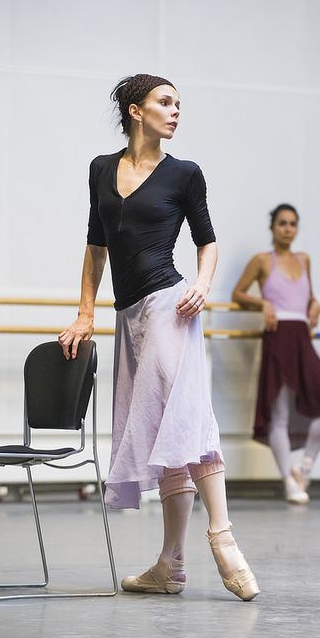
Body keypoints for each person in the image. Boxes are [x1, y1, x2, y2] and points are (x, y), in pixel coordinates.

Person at [58, 74, 259, 601]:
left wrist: (203, 284)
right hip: (131, 319)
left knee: (187, 417)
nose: (175, 112)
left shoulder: (185, 174)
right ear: (134, 111)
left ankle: (222, 535)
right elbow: (95, 246)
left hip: (171, 305)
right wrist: (85, 314)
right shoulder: (102, 170)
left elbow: (207, 241)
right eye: (165, 103)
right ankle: (169, 565)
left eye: (178, 104)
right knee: (167, 433)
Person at [232, 203, 320, 504]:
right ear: (272, 227)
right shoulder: (261, 261)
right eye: (282, 223)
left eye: (292, 224)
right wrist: (263, 304)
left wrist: (316, 303)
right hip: (278, 335)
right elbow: (238, 293)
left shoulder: (304, 260)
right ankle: (289, 481)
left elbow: (308, 296)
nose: (287, 228)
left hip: (301, 337)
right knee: (279, 414)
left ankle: (304, 467)